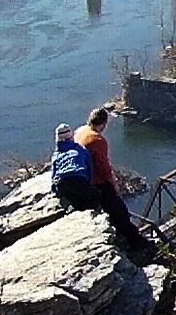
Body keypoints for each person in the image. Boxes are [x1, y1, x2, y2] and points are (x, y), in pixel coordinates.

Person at [69, 107, 149, 249]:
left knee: (110, 213)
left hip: (82, 179)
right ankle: (136, 244)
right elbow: (103, 167)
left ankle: (124, 239)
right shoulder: (97, 140)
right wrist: (114, 183)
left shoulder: (80, 131)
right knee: (120, 213)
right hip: (97, 182)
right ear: (104, 123)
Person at [47, 123, 98, 211]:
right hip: (78, 178)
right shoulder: (80, 149)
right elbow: (89, 167)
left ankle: (71, 205)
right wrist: (89, 182)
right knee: (95, 196)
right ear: (71, 137)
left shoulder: (56, 155)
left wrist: (55, 190)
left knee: (72, 198)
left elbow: (54, 173)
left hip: (62, 182)